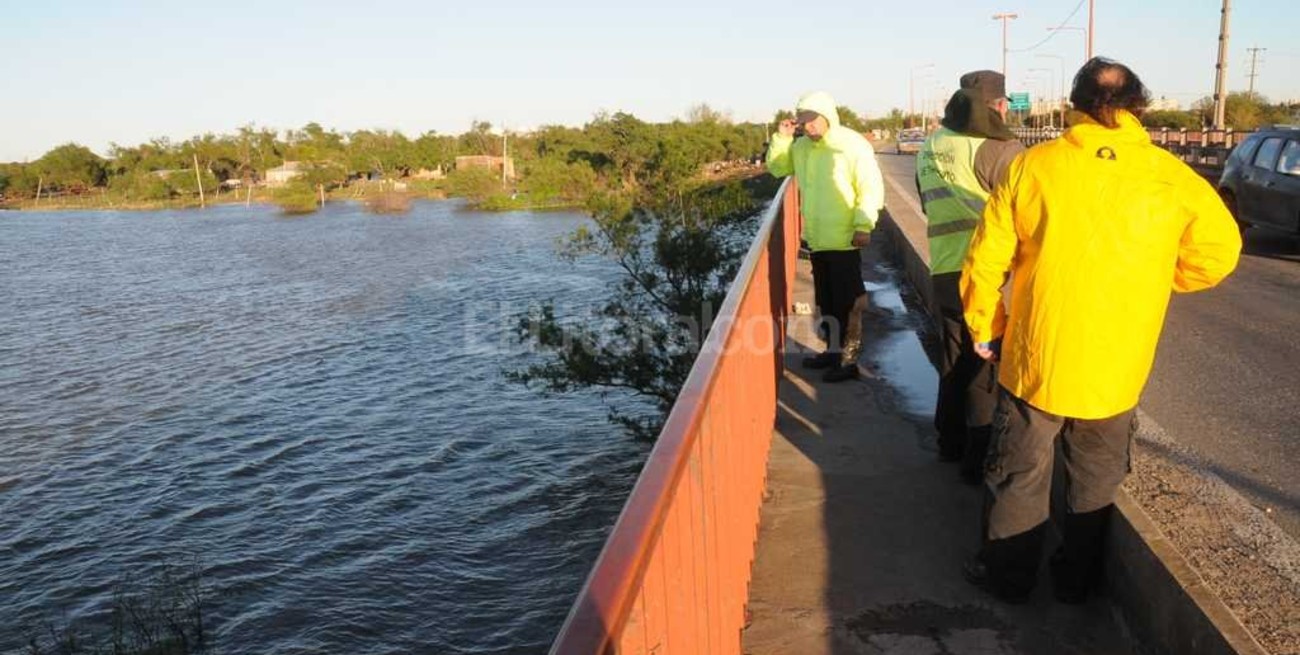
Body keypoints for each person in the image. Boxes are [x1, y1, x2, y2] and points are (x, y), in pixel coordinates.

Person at [959, 58, 1242, 603]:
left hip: (1036, 354)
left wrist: (985, 327)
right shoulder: (1172, 176)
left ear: (1075, 103)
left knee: (1020, 472)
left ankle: (1009, 579)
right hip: (1118, 363)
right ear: (1139, 105)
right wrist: (1161, 276)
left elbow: (985, 261)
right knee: (1094, 481)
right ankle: (1077, 582)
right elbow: (1219, 253)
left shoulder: (1033, 166)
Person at [916, 71, 1023, 482]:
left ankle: (949, 442)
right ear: (995, 105)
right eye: (1004, 104)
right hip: (989, 274)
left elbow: (928, 203)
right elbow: (1026, 212)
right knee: (983, 369)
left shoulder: (932, 143)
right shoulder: (998, 148)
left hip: (943, 267)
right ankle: (977, 463)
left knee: (954, 360)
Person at [766, 91, 885, 382]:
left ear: (827, 117)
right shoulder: (802, 147)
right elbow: (778, 168)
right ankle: (832, 352)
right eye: (802, 122)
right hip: (818, 239)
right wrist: (781, 138)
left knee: (850, 302)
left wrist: (863, 225)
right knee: (827, 300)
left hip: (845, 238)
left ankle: (849, 359)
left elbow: (870, 187)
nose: (808, 127)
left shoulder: (851, 145)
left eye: (812, 120)